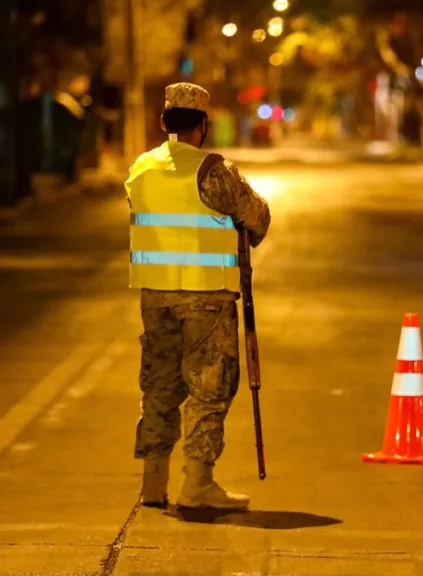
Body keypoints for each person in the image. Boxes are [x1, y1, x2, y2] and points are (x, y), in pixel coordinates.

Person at [126, 82, 271, 511]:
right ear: (203, 125)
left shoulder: (140, 168)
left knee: (159, 385)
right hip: (206, 296)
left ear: (162, 122)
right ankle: (198, 485)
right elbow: (257, 218)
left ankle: (153, 484)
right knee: (209, 387)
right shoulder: (213, 170)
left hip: (155, 295)